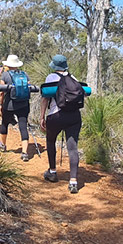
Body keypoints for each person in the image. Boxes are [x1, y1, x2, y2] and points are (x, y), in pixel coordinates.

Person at [39, 54, 92, 193]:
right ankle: (73, 181)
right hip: (74, 116)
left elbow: (45, 98)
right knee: (72, 147)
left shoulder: (51, 78)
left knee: (50, 142)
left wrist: (42, 117)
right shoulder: (73, 79)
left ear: (54, 66)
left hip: (56, 115)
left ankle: (52, 172)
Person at [0, 54, 37, 161]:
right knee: (23, 126)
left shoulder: (5, 75)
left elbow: (2, 93)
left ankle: (3, 145)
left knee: (5, 123)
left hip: (9, 105)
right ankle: (24, 153)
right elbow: (28, 88)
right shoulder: (25, 74)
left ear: (8, 65)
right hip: (23, 104)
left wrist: (1, 104)